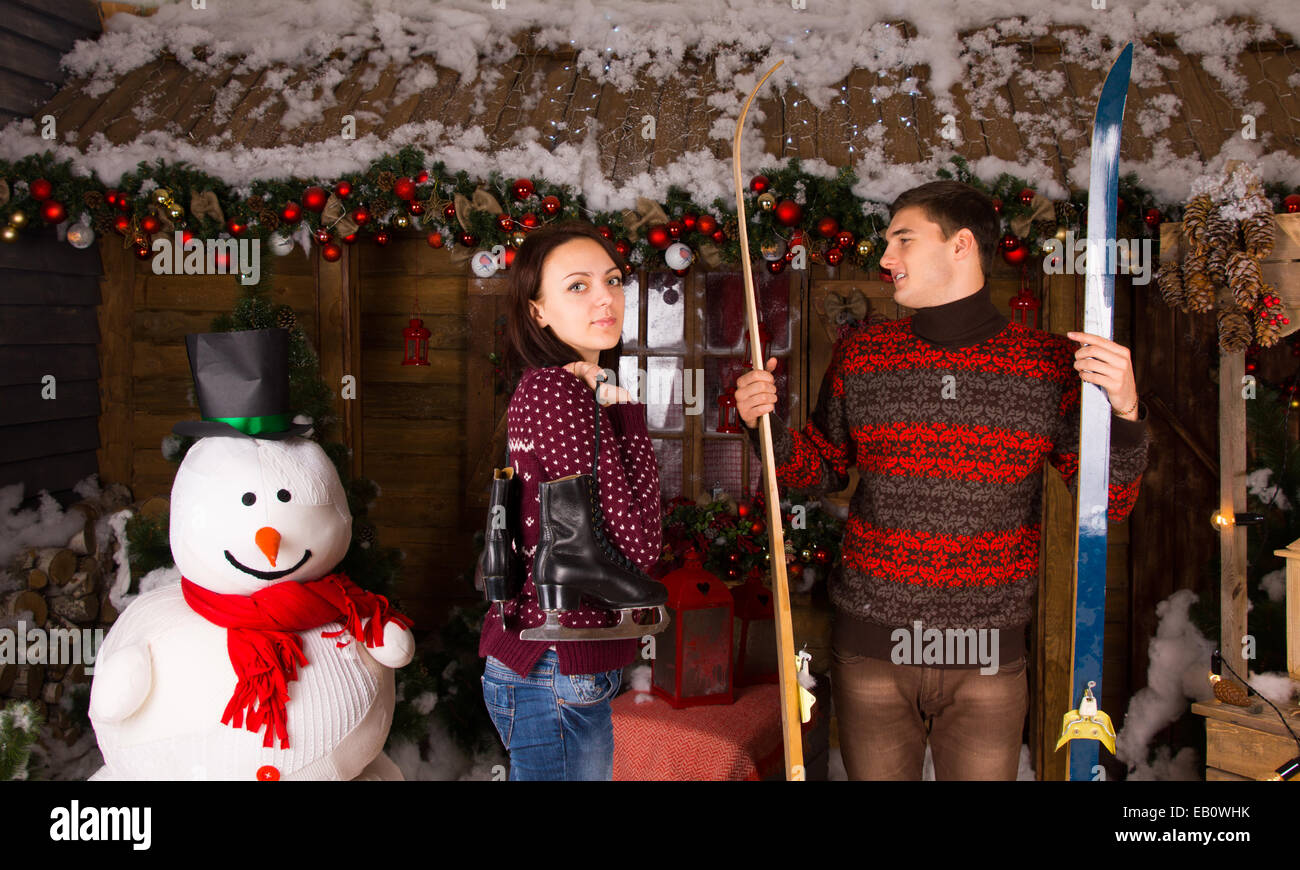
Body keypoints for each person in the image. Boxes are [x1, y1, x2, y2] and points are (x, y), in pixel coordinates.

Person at [734, 180, 1150, 780]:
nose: (884, 258)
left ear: (960, 246)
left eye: (902, 239)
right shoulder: (865, 356)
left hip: (987, 654)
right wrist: (764, 426)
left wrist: (1127, 409)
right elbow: (820, 469)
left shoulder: (1050, 365)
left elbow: (1106, 502)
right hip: (873, 648)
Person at [477, 221, 663, 781]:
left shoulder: (549, 386)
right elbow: (640, 545)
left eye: (612, 280)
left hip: (541, 656)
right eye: (577, 286)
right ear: (537, 311)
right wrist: (626, 411)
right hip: (552, 665)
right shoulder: (561, 391)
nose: (605, 297)